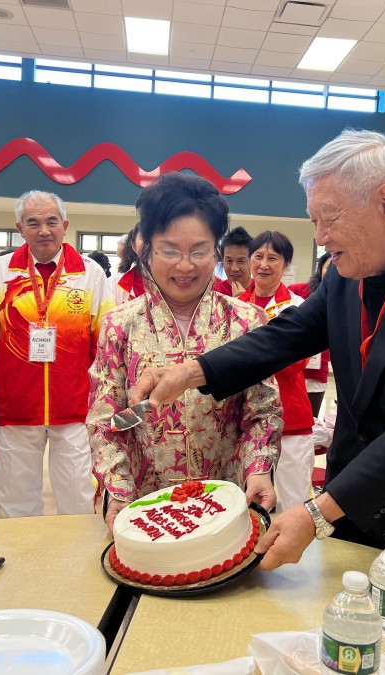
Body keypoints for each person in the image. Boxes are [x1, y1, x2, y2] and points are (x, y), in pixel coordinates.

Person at [129, 129, 385, 595]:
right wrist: (190, 372)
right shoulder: (348, 275)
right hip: (361, 523)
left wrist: (316, 514)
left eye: (329, 218)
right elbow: (285, 335)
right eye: (314, 220)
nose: (320, 238)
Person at [87, 172, 282, 532]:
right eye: (170, 250)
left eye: (199, 251)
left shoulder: (246, 321)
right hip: (144, 510)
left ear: (216, 250)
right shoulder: (121, 325)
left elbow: (262, 411)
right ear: (146, 248)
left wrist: (258, 469)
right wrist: (118, 492)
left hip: (226, 508)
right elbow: (106, 421)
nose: (185, 265)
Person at [0, 190, 112, 517]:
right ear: (20, 228)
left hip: (74, 403)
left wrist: (100, 395)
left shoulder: (89, 273)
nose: (44, 230)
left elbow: (103, 344)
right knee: (17, 495)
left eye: (51, 222)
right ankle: (23, 548)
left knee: (78, 491)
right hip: (16, 402)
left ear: (65, 226)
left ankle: (77, 547)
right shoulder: (0, 272)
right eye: (33, 223)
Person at [237, 231, 314, 513]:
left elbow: (297, 363)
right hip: (243, 419)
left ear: (286, 264)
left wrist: (262, 334)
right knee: (243, 503)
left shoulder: (297, 307)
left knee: (295, 502)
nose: (264, 264)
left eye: (273, 258)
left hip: (289, 417)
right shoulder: (234, 306)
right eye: (258, 256)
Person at [289, 252, 333, 418]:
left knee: (312, 419)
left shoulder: (343, 296)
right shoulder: (298, 290)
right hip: (293, 366)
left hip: (318, 368)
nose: (332, 271)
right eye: (328, 267)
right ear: (320, 268)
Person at [214, 226, 253, 297]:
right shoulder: (216, 294)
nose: (234, 269)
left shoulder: (263, 291)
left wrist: (244, 299)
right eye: (229, 261)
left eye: (241, 261)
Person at [111, 222, 144, 304]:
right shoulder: (114, 283)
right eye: (144, 237)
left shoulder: (174, 282)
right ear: (134, 246)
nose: (152, 242)